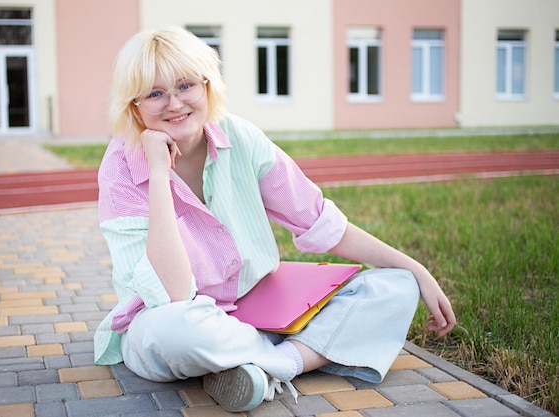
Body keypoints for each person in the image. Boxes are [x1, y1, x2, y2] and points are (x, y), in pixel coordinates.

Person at [94, 26, 456, 413]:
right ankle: (293, 357)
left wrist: (414, 268)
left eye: (185, 86)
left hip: (258, 309)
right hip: (173, 321)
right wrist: (159, 173)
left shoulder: (241, 137)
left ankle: (267, 366)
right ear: (134, 106)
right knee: (175, 330)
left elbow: (320, 222)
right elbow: (176, 293)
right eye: (154, 93)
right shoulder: (121, 169)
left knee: (395, 286)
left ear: (207, 86)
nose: (174, 104)